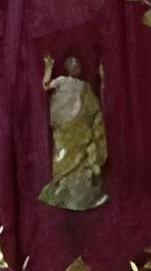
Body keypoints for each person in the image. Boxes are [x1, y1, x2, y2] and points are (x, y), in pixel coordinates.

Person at [39, 51, 109, 212]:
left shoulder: (84, 86)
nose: (75, 66)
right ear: (66, 68)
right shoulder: (62, 81)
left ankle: (82, 194)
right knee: (63, 157)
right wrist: (48, 68)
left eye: (77, 64)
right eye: (71, 64)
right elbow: (45, 85)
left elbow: (93, 109)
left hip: (80, 128)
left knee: (80, 157)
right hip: (63, 127)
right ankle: (62, 189)